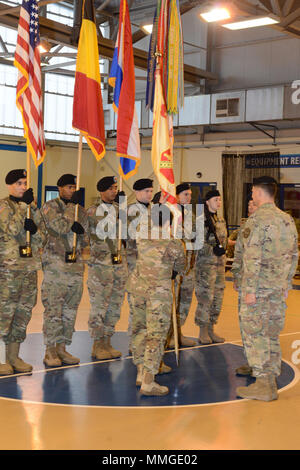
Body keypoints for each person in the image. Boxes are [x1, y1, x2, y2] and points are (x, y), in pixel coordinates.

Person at [234, 176, 298, 401]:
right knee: (270, 333)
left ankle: (263, 383)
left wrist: (249, 289)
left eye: (252, 192)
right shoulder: (287, 220)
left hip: (258, 290)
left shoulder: (256, 221)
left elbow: (252, 258)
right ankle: (270, 377)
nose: (251, 196)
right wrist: (286, 284)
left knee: (255, 335)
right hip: (277, 290)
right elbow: (294, 255)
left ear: (258, 192)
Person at [129, 204, 186, 396]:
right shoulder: (174, 243)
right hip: (158, 294)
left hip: (137, 289)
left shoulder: (140, 234)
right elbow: (181, 266)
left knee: (139, 329)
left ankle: (139, 371)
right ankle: (148, 381)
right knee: (156, 336)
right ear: (169, 222)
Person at [0, 169, 46, 375]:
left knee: (23, 313)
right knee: (4, 313)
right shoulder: (4, 206)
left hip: (28, 268)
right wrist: (23, 208)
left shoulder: (31, 207)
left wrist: (35, 229)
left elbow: (42, 238)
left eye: (25, 183)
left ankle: (13, 357)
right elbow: (11, 228)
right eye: (18, 183)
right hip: (9, 270)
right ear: (9, 185)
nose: (22, 186)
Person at [41, 174, 89, 367]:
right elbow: (59, 226)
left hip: (75, 267)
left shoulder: (81, 210)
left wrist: (81, 231)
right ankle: (50, 351)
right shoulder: (50, 207)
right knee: (54, 309)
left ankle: (62, 348)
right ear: (60, 188)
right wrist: (71, 211)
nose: (72, 190)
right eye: (69, 187)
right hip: (56, 267)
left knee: (70, 311)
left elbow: (86, 240)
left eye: (74, 187)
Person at [87, 176, 127, 360]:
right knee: (99, 307)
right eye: (111, 188)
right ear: (102, 191)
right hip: (101, 267)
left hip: (118, 265)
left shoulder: (120, 210)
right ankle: (97, 345)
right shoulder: (93, 211)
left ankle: (107, 341)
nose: (114, 191)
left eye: (116, 188)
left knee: (114, 306)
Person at [194, 189, 227, 344]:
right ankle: (203, 331)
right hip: (206, 265)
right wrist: (211, 249)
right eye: (215, 200)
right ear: (207, 202)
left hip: (220, 265)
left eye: (220, 200)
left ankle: (212, 328)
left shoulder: (220, 219)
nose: (218, 202)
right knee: (206, 299)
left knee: (218, 298)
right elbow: (196, 243)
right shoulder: (201, 220)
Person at [231, 198, 258, 376]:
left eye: (253, 204)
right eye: (247, 204)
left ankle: (259, 365)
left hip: (258, 285)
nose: (249, 207)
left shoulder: (265, 226)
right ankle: (251, 361)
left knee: (257, 325)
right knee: (245, 323)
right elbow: (238, 252)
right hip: (244, 282)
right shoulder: (246, 226)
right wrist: (235, 274)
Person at [169, 183, 197, 347]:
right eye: (186, 194)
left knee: (184, 300)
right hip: (176, 265)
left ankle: (179, 332)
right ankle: (170, 335)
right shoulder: (172, 213)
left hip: (188, 265)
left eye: (190, 194)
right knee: (174, 300)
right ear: (177, 196)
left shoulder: (190, 215)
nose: (189, 197)